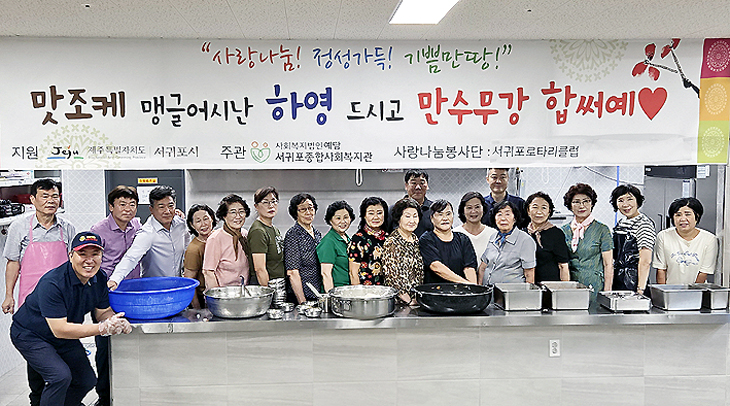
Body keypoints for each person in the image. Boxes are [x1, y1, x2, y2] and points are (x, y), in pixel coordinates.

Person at [10, 232, 132, 406]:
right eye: (82, 254)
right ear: (70, 255)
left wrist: (114, 321)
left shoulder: (99, 278)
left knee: (86, 380)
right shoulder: (53, 283)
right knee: (59, 376)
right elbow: (60, 329)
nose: (89, 260)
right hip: (30, 334)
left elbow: (102, 312)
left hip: (62, 336)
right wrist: (102, 328)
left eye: (95, 254)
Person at [2, 178, 75, 406]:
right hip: (31, 304)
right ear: (33, 200)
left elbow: (74, 265)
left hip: (62, 302)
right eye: (45, 196)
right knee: (36, 354)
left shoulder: (67, 228)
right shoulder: (19, 227)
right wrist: (8, 295)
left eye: (55, 196)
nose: (51, 201)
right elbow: (13, 263)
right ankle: (37, 399)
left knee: (63, 352)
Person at [88, 185, 141, 406]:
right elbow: (90, 262)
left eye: (132, 204)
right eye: (122, 204)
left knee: (132, 341)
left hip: (132, 294)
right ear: (111, 206)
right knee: (106, 344)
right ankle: (104, 396)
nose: (128, 209)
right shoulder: (99, 230)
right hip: (105, 295)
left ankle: (130, 391)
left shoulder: (137, 225)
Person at [108, 185, 187, 290]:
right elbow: (131, 257)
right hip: (154, 290)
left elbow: (189, 244)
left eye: (170, 206)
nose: (167, 211)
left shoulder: (181, 224)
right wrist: (115, 279)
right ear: (151, 209)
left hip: (178, 287)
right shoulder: (147, 233)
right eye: (161, 207)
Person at [561, 183, 613, 301]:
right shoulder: (563, 230)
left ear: (592, 203)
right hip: (571, 284)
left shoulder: (602, 229)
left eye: (586, 201)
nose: (581, 206)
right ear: (570, 205)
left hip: (594, 285)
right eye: (576, 202)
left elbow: (608, 264)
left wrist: (607, 292)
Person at [653, 197, 718, 285]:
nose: (683, 219)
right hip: (670, 289)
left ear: (697, 216)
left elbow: (703, 273)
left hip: (697, 290)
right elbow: (661, 270)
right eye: (678, 215)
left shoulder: (709, 239)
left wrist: (691, 292)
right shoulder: (663, 236)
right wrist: (664, 291)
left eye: (687, 214)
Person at [202, 194, 254, 292]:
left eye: (241, 211)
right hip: (224, 294)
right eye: (233, 212)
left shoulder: (245, 234)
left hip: (243, 292)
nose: (238, 216)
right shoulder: (215, 238)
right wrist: (217, 296)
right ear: (224, 216)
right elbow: (208, 272)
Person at [610, 184, 656, 294]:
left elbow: (645, 261)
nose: (625, 204)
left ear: (638, 201)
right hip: (617, 279)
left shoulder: (644, 224)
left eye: (629, 199)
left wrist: (640, 289)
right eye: (620, 200)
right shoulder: (621, 223)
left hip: (633, 282)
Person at [419, 199, 478, 284]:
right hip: (435, 290)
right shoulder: (426, 239)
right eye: (440, 214)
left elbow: (469, 267)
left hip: (461, 290)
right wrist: (465, 283)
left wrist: (473, 287)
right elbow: (436, 267)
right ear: (432, 218)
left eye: (448, 214)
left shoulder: (463, 239)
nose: (445, 218)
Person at [478, 200, 536, 285]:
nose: (503, 218)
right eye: (499, 214)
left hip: (512, 291)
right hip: (489, 290)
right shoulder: (493, 237)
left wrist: (528, 292)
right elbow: (483, 266)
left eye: (507, 214)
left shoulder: (525, 240)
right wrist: (479, 288)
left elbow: (529, 273)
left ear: (515, 218)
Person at [382, 198, 424, 305]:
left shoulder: (414, 238)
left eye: (415, 216)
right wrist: (409, 301)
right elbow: (392, 278)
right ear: (398, 218)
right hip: (400, 303)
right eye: (407, 216)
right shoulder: (392, 242)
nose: (412, 221)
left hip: (415, 300)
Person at [284, 193, 323, 303]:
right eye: (302, 209)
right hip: (302, 296)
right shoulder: (293, 235)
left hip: (317, 293)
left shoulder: (317, 233)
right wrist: (303, 302)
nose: (308, 212)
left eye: (310, 208)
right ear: (295, 213)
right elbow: (292, 272)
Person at [248, 187, 286, 301]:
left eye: (274, 201)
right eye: (265, 202)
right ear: (256, 206)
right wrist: (269, 296)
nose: (271, 206)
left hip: (278, 285)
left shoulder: (273, 228)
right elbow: (260, 269)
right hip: (265, 287)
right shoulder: (258, 231)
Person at [525, 191, 570, 283]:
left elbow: (563, 266)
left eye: (544, 208)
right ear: (528, 210)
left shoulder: (556, 234)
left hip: (550, 285)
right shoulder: (523, 233)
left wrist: (565, 288)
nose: (539, 212)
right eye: (535, 207)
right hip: (527, 284)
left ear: (549, 212)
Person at [348, 197, 389, 285]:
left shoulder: (388, 237)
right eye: (371, 213)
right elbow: (353, 273)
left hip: (387, 290)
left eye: (379, 213)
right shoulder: (358, 239)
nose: (376, 217)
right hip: (366, 290)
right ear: (364, 216)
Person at [316, 200, 354, 292]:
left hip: (348, 291)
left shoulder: (347, 239)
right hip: (337, 292)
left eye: (346, 217)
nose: (343, 221)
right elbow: (326, 274)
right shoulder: (328, 242)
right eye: (338, 218)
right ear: (330, 220)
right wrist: (332, 297)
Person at [183, 204, 216, 309]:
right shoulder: (193, 249)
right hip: (205, 298)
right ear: (192, 225)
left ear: (212, 219)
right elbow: (189, 282)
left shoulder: (219, 237)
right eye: (198, 221)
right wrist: (197, 309)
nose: (203, 224)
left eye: (206, 219)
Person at [453, 191, 496, 261]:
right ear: (463, 210)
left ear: (483, 209)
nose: (473, 211)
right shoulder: (454, 234)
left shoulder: (493, 234)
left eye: (477, 207)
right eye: (469, 208)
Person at [403, 169, 433, 237]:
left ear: (427, 185)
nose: (418, 187)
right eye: (414, 183)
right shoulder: (395, 210)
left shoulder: (434, 209)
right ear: (406, 186)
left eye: (422, 183)